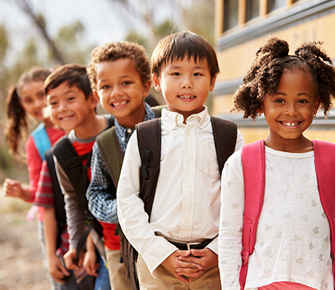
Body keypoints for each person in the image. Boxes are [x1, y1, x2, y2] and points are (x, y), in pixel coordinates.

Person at [116, 31, 244, 290]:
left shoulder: (229, 136)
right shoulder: (144, 137)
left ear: (212, 81)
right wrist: (160, 253)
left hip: (215, 266)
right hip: (159, 266)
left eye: (197, 74)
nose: (187, 83)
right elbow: (127, 200)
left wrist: (217, 251)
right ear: (156, 80)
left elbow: (243, 199)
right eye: (175, 74)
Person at [218, 37, 335, 290]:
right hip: (261, 284)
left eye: (302, 101)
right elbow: (229, 240)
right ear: (261, 102)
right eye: (279, 100)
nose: (291, 111)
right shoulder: (241, 163)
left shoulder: (331, 160)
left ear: (316, 104)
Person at [85, 40, 159, 289]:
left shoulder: (170, 122)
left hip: (173, 244)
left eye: (126, 82)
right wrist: (125, 209)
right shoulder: (103, 145)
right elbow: (95, 195)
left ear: (146, 85)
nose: (116, 92)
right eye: (106, 86)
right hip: (124, 252)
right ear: (97, 95)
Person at [45, 64, 111, 290]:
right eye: (53, 103)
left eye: (70, 98)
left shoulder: (117, 130)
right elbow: (74, 201)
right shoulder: (62, 152)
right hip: (105, 246)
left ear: (93, 100)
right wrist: (77, 245)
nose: (61, 108)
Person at [3, 67, 65, 290]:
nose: (38, 104)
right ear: (22, 105)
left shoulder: (78, 125)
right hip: (53, 224)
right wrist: (21, 193)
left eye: (42, 95)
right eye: (29, 100)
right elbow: (41, 194)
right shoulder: (36, 142)